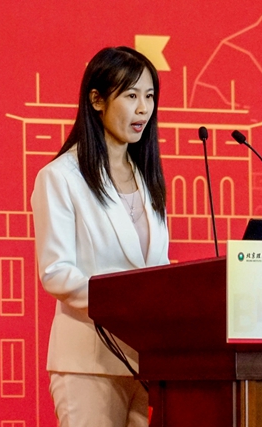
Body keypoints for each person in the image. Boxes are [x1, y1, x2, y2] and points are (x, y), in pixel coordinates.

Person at [31, 46, 169, 427]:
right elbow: (56, 272)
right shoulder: (60, 177)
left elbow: (155, 268)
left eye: (149, 96)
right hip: (87, 362)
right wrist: (127, 302)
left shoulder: (148, 180)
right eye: (131, 96)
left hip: (144, 363)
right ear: (96, 100)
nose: (143, 109)